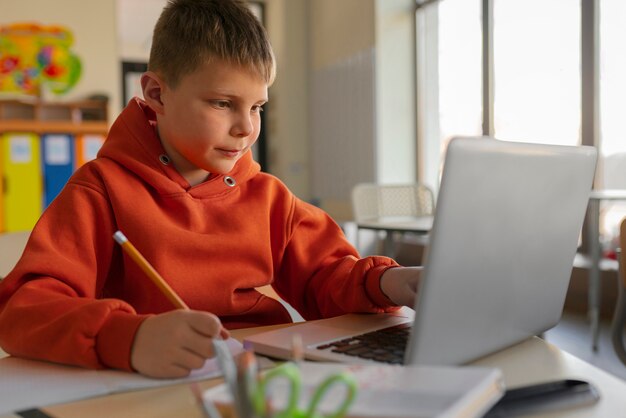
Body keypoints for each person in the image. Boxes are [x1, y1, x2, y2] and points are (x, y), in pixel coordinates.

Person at [0, 0, 420, 378]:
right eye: (223, 103)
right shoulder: (101, 190)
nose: (246, 128)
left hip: (260, 375)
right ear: (156, 94)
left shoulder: (269, 197)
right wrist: (126, 336)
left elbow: (327, 278)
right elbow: (22, 311)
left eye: (257, 107)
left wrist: (388, 283)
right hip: (149, 382)